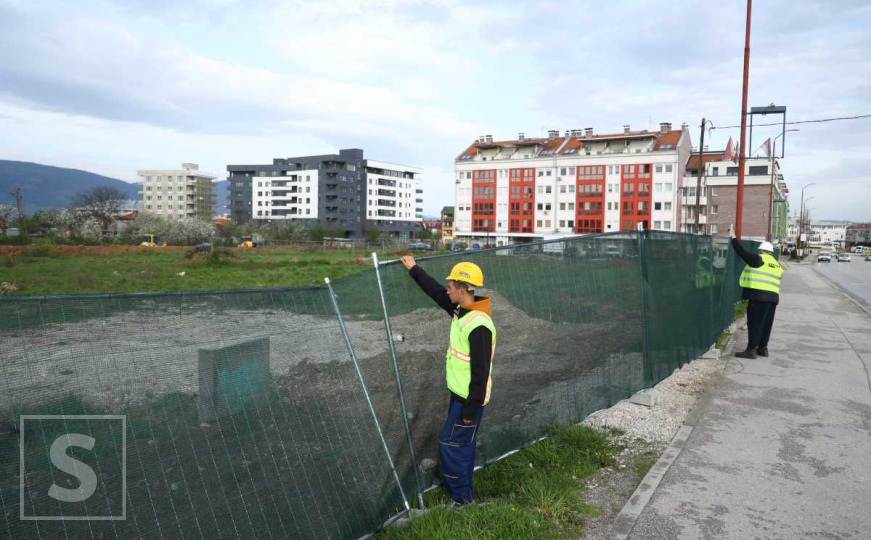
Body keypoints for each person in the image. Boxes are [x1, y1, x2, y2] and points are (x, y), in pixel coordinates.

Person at [399, 255, 496, 507]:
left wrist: (469, 410)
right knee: (462, 444)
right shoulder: (462, 311)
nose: (447, 291)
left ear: (462, 290)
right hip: (460, 393)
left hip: (468, 400)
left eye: (451, 288)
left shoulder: (479, 326)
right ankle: (463, 494)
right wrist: (414, 269)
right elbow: (435, 292)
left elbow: (481, 372)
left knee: (451, 444)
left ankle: (461, 500)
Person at [731, 231, 783, 359]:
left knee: (755, 323)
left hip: (758, 297)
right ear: (771, 252)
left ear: (760, 251)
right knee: (766, 323)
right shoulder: (776, 264)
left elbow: (741, 252)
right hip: (773, 299)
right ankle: (763, 348)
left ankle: (751, 350)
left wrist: (733, 239)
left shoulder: (759, 260)